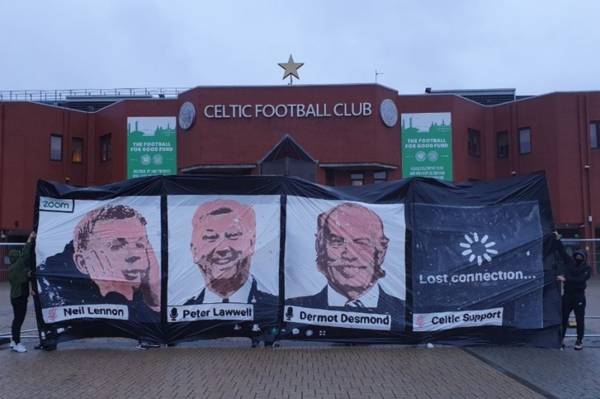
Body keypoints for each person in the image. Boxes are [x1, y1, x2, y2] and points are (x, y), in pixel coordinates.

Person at [286, 202, 404, 327]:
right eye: (337, 241)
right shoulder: (296, 310)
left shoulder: (403, 312)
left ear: (381, 252)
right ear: (319, 246)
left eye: (362, 243)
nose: (350, 254)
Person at [38, 204, 161, 323]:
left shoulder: (150, 296)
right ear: (82, 262)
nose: (135, 255)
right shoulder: (57, 293)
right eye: (117, 246)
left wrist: (154, 297)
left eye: (140, 245)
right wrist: (113, 290)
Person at [185, 199, 277, 311]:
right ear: (194, 251)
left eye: (233, 235)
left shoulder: (275, 310)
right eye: (210, 237)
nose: (222, 248)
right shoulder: (179, 314)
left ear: (252, 244)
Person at [555, 233, 592, 350]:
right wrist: (557, 239)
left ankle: (579, 341)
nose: (578, 258)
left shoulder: (587, 268)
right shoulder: (570, 262)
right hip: (567, 296)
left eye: (581, 256)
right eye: (577, 255)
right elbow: (561, 251)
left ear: (584, 258)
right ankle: (560, 340)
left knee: (579, 319)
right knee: (563, 318)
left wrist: (566, 279)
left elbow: (581, 280)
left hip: (579, 296)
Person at [8, 231, 35, 353]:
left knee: (15, 320)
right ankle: (17, 343)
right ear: (16, 258)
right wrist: (29, 239)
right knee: (19, 320)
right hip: (20, 298)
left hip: (15, 297)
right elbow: (25, 254)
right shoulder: (17, 266)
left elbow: (23, 279)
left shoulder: (12, 269)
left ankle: (13, 341)